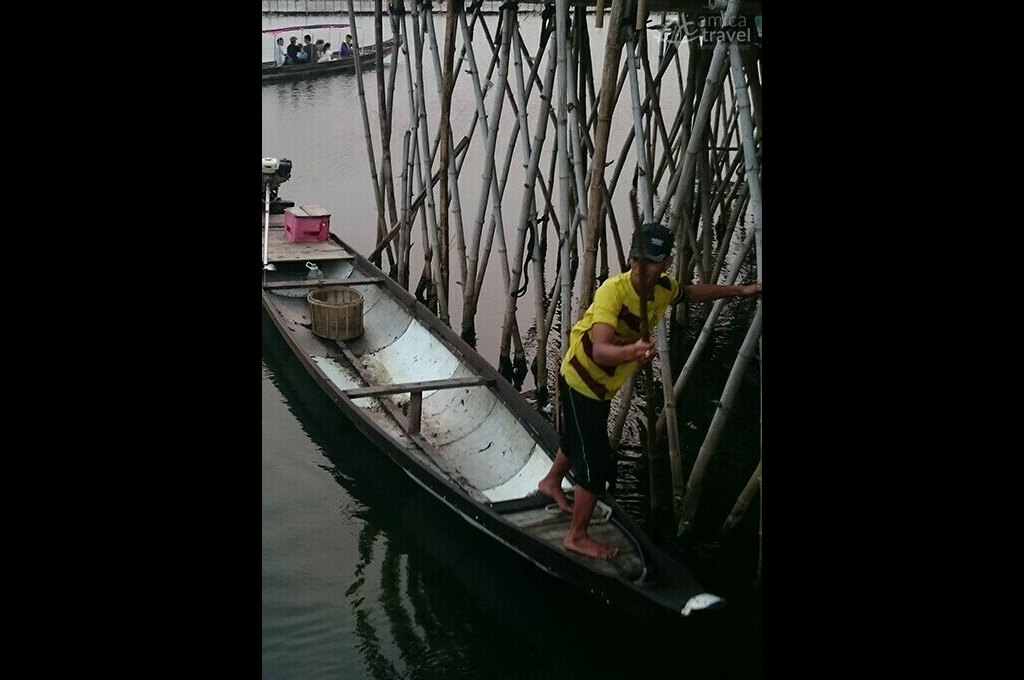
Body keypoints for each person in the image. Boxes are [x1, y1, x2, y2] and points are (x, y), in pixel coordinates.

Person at [536, 222, 762, 560]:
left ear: (667, 263)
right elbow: (600, 349)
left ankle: (551, 483)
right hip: (582, 379)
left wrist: (739, 291)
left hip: (602, 386)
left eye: (653, 262)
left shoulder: (663, 289)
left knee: (576, 440)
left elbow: (691, 292)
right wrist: (634, 352)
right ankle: (577, 536)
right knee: (597, 467)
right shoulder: (613, 291)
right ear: (631, 258)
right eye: (638, 260)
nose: (643, 269)